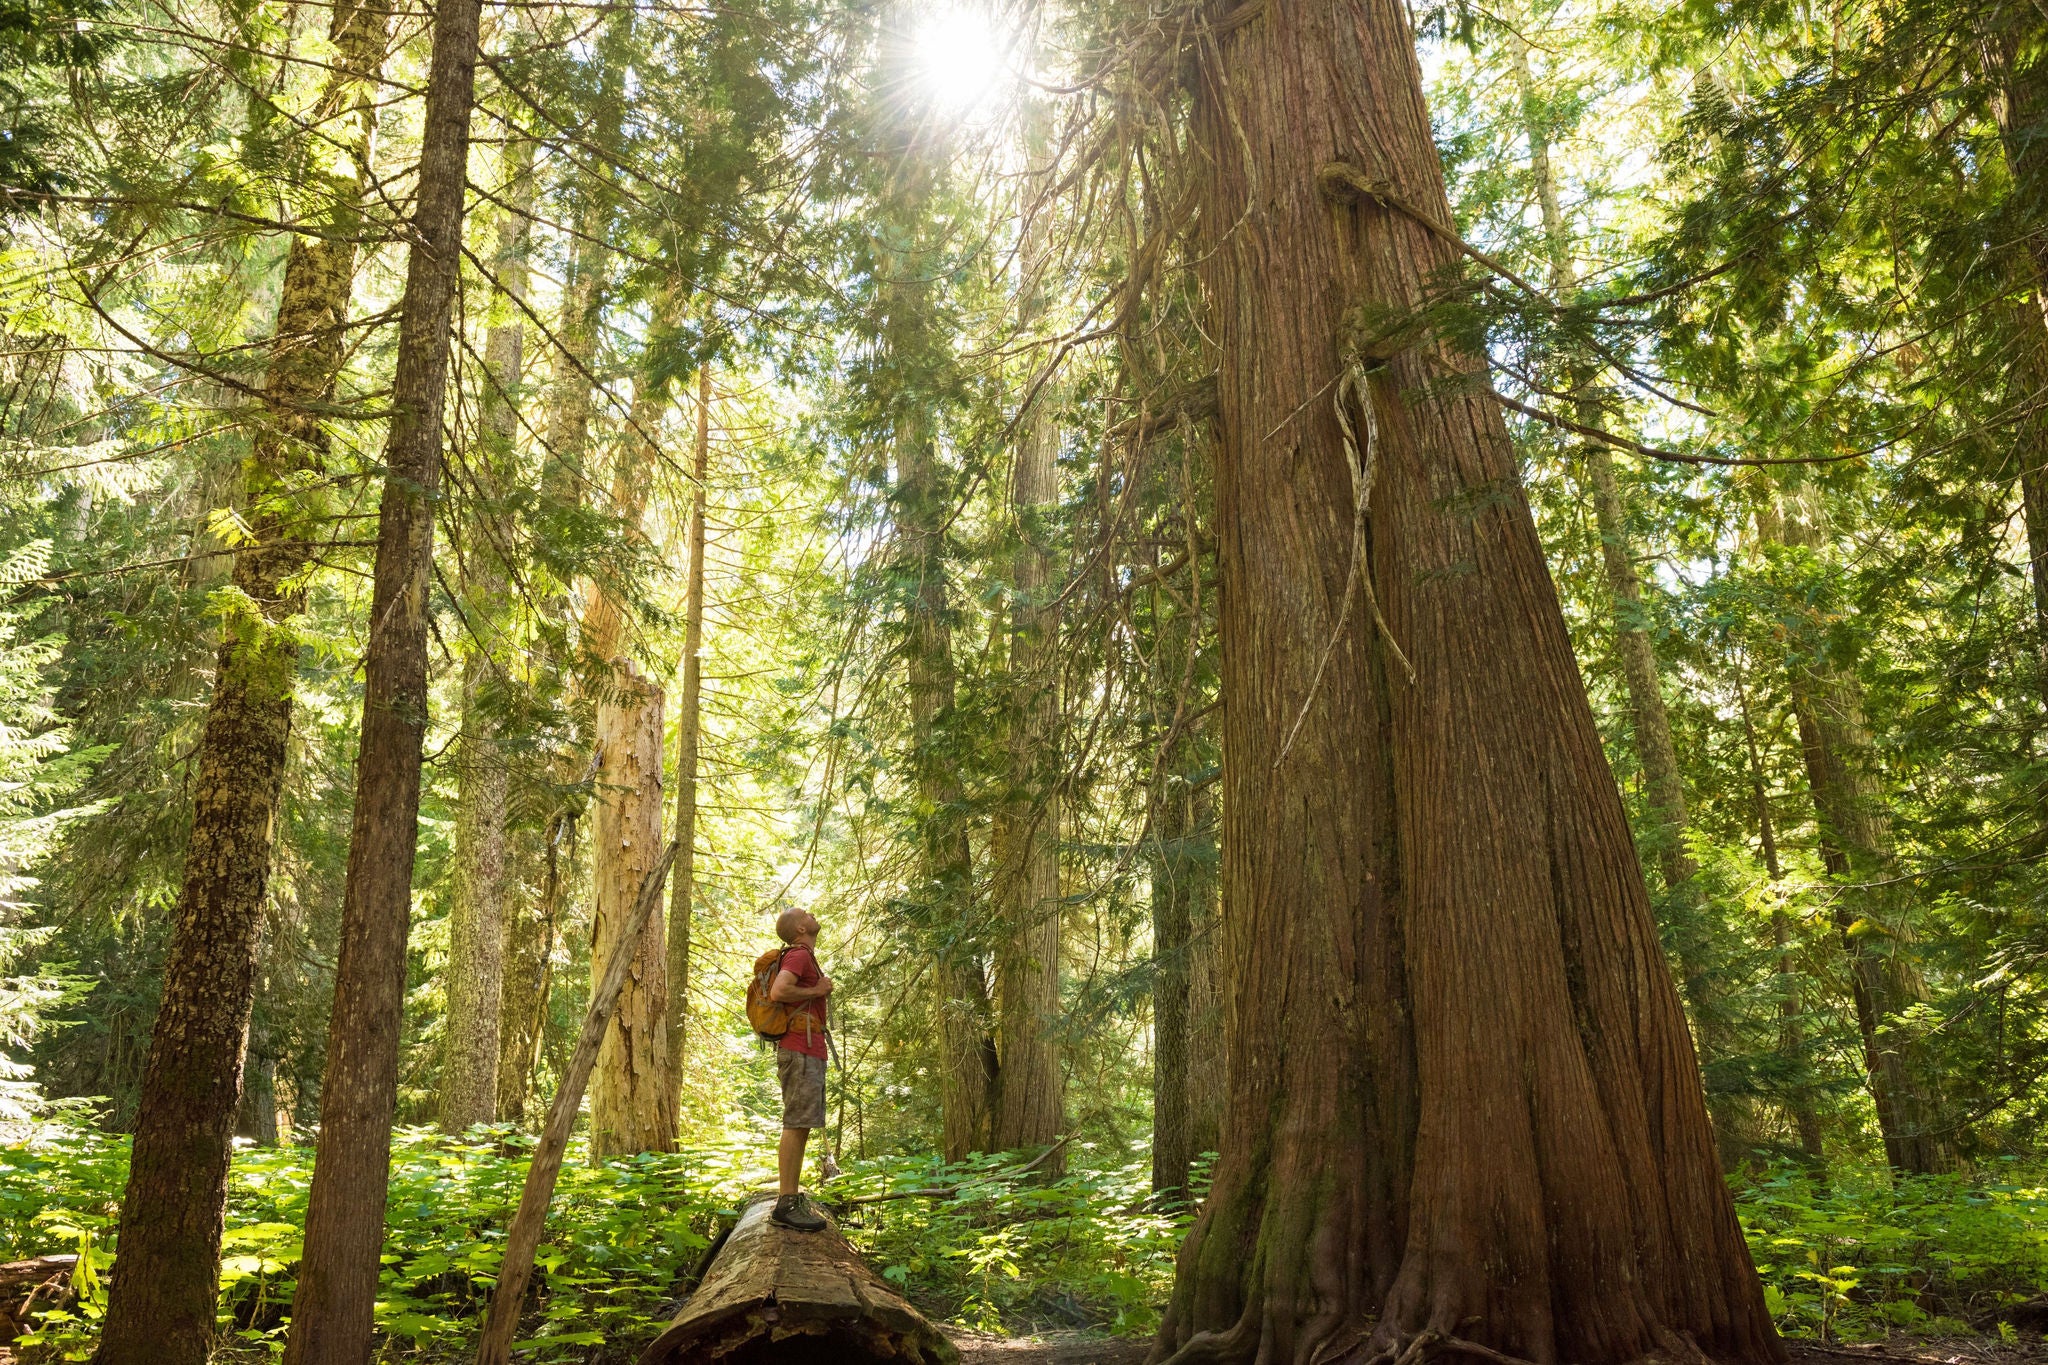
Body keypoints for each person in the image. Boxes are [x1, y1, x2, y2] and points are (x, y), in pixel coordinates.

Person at [767, 907, 833, 1231]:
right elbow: (778, 991)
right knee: (796, 1124)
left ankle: (789, 1200)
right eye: (806, 913)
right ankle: (786, 1204)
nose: (812, 914)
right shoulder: (799, 956)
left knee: (802, 1123)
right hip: (799, 1048)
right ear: (802, 927)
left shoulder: (803, 955)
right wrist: (817, 990)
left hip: (805, 1048)